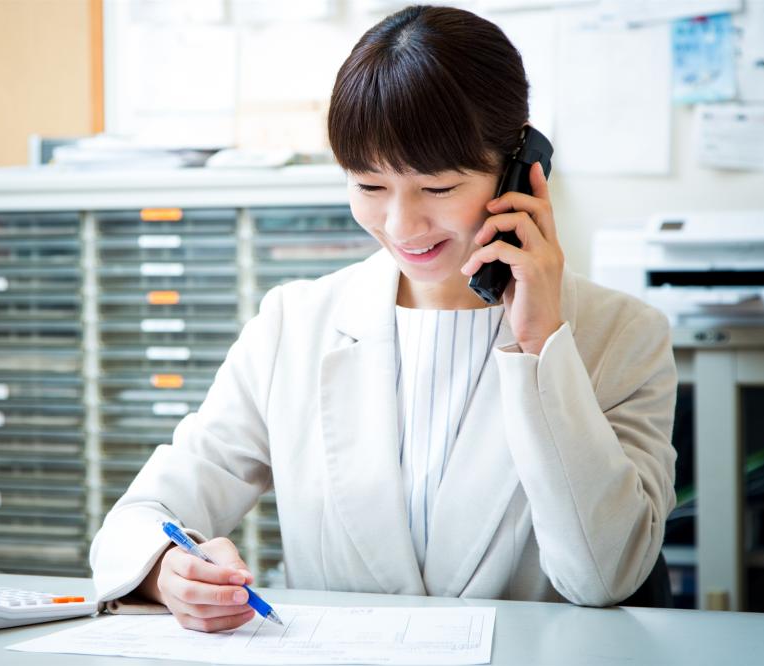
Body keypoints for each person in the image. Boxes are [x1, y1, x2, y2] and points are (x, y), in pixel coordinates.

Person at [90, 4, 677, 633]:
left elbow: (603, 575)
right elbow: (143, 515)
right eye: (369, 187)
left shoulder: (624, 337)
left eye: (438, 188)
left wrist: (540, 348)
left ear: (520, 171)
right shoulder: (294, 325)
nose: (401, 227)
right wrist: (168, 570)